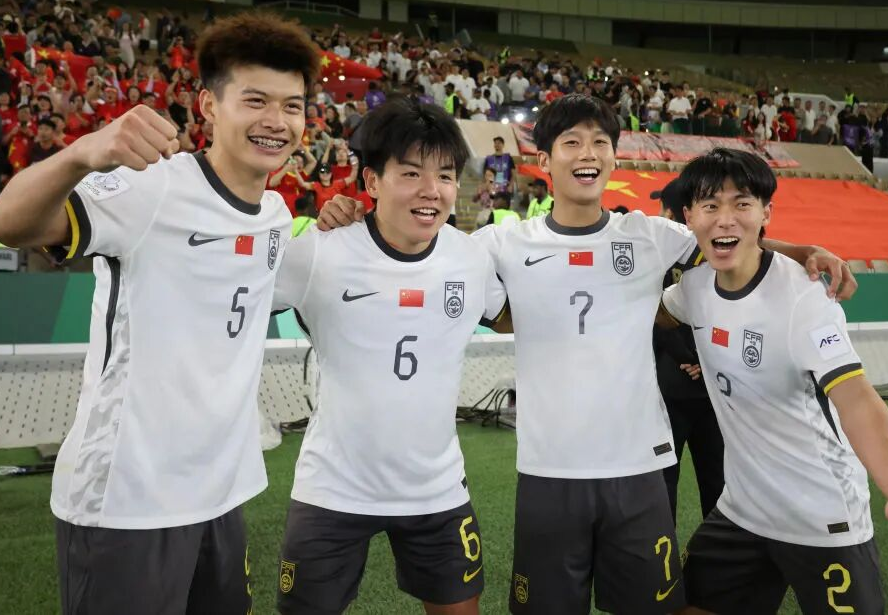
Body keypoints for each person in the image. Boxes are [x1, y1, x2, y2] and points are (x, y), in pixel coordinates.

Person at [316, 94, 857, 615]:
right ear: (544, 160)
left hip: (640, 469)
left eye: (600, 142)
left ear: (614, 157)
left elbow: (727, 237)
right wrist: (352, 216)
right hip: (548, 471)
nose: (588, 153)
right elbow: (420, 250)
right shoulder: (500, 244)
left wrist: (804, 251)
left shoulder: (649, 235)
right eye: (572, 142)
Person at [0, 11, 322, 615]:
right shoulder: (153, 187)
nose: (276, 121)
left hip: (220, 496)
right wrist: (81, 153)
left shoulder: (274, 214)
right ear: (208, 106)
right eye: (255, 100)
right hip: (127, 500)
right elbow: (5, 223)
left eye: (291, 106)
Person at [662, 148, 888, 615]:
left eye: (742, 204)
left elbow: (855, 397)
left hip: (822, 514)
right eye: (710, 205)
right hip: (743, 510)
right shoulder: (693, 289)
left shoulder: (804, 298)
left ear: (766, 213)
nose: (725, 219)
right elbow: (653, 314)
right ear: (689, 217)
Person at [272, 97, 507, 615]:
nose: (432, 190)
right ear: (372, 181)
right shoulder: (322, 252)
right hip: (333, 488)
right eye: (411, 173)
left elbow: (515, 315)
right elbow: (237, 302)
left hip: (436, 489)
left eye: (445, 175)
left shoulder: (470, 259)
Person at [650, 178, 723, 522]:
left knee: (666, 476)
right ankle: (721, 549)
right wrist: (705, 361)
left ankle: (662, 550)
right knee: (717, 477)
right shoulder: (722, 253)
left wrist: (687, 359)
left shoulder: (658, 253)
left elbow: (656, 318)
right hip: (715, 382)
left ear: (670, 213)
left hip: (671, 383)